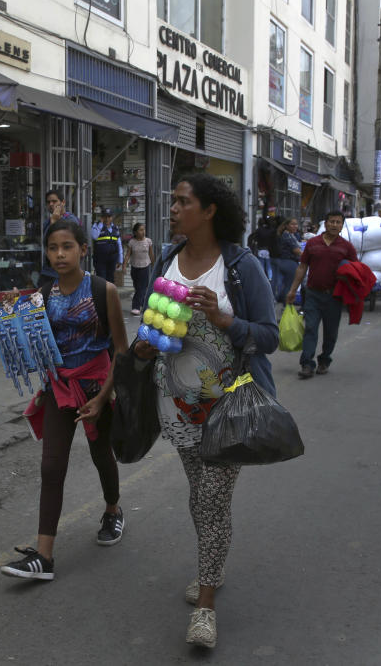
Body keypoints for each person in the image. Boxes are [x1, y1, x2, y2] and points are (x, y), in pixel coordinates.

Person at [133, 174, 277, 648]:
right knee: (200, 496)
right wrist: (144, 345)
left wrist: (224, 319)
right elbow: (153, 323)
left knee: (212, 499)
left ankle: (206, 608)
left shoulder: (240, 267)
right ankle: (209, 567)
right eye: (173, 200)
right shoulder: (168, 259)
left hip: (227, 407)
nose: (173, 208)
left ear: (210, 210)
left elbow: (269, 336)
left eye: (182, 201)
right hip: (175, 405)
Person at [0, 220, 129, 582]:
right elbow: (33, 342)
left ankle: (113, 510)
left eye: (67, 246)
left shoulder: (104, 291)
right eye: (53, 247)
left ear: (83, 250)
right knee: (51, 466)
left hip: (97, 386)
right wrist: (14, 313)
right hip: (59, 388)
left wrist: (103, 398)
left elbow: (121, 351)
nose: (59, 254)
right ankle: (44, 556)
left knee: (102, 454)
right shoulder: (42, 294)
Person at [286, 210, 358, 378]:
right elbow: (302, 267)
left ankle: (324, 360)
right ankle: (307, 364)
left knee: (330, 331)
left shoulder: (346, 247)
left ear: (342, 225)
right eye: (331, 221)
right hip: (313, 294)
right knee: (310, 328)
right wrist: (292, 290)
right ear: (325, 224)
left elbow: (355, 270)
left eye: (338, 222)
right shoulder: (313, 243)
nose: (334, 225)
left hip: (334, 297)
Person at [38, 190, 80, 288]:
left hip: (64, 271)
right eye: (48, 202)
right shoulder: (47, 222)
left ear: (63, 203)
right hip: (48, 271)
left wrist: (54, 222)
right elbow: (46, 243)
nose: (51, 204)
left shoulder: (71, 220)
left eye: (54, 201)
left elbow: (60, 241)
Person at [124, 222, 154, 314]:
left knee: (142, 288)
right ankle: (144, 305)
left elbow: (151, 254)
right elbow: (128, 254)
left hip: (145, 267)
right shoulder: (132, 242)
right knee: (138, 287)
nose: (143, 232)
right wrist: (124, 265)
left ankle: (136, 306)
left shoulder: (148, 241)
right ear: (135, 232)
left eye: (143, 229)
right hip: (135, 268)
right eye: (140, 230)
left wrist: (154, 265)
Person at [272, 217, 302, 303]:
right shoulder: (287, 235)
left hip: (285, 262)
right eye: (292, 224)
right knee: (290, 286)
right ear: (287, 226)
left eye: (296, 224)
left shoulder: (289, 234)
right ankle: (287, 305)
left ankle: (282, 301)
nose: (295, 226)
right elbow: (296, 250)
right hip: (289, 263)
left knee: (285, 285)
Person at [90, 208, 123, 284]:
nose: (107, 219)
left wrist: (120, 259)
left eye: (109, 216)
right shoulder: (97, 226)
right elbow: (94, 236)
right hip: (100, 259)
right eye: (105, 216)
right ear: (102, 217)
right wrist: (101, 224)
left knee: (110, 280)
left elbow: (119, 244)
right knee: (101, 280)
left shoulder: (115, 228)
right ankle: (102, 295)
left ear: (112, 217)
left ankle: (109, 295)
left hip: (112, 259)